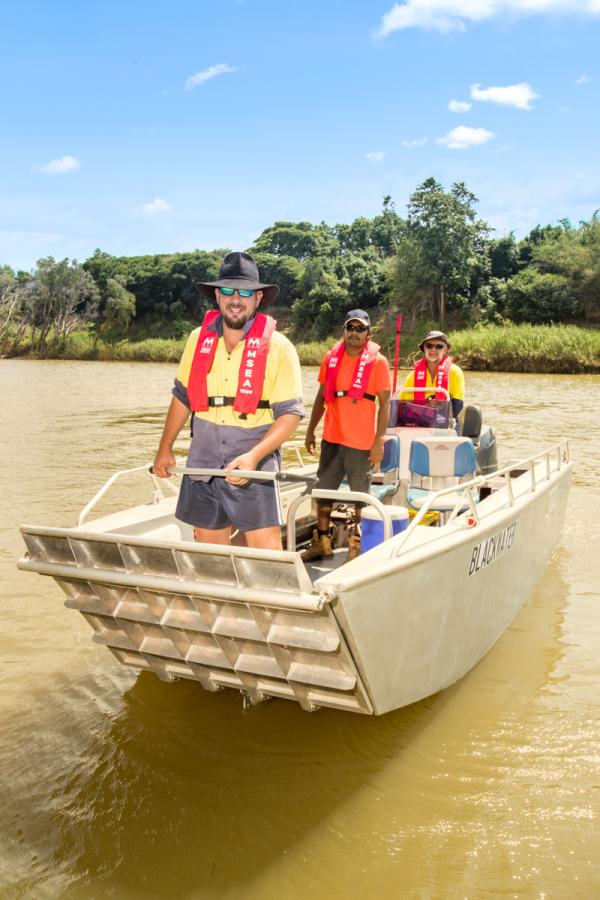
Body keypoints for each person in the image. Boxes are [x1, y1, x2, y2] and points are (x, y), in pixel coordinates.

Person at [152, 252, 304, 550]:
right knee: (210, 552)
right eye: (228, 291)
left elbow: (290, 416)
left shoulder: (280, 347)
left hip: (252, 462)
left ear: (258, 298)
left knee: (266, 551)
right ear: (218, 297)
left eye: (245, 291)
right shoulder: (197, 338)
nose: (236, 299)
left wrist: (254, 456)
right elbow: (182, 397)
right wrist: (164, 448)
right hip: (203, 460)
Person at [302, 309, 391, 563]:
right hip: (332, 437)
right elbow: (321, 397)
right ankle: (322, 542)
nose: (354, 333)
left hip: (361, 442)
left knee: (359, 496)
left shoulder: (378, 363)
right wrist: (311, 430)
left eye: (360, 329)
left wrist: (378, 442)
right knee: (324, 491)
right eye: (350, 328)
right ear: (344, 331)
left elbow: (385, 405)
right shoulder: (331, 358)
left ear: (368, 334)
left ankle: (356, 544)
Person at [399, 330, 464, 427]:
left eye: (439, 346)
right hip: (418, 425)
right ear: (424, 349)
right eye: (429, 346)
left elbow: (457, 407)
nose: (433, 350)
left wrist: (432, 418)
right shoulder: (412, 376)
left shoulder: (455, 372)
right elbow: (403, 405)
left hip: (447, 426)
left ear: (445, 349)